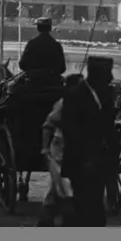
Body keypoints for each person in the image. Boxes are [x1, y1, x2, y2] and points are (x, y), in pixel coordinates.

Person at [60, 56, 116, 227]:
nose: (111, 78)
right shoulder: (75, 95)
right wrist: (87, 157)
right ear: (96, 74)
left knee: (94, 207)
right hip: (81, 160)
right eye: (108, 73)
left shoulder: (104, 95)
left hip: (97, 160)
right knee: (84, 207)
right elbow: (70, 129)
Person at [37, 73, 83, 227]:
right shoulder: (63, 104)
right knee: (60, 186)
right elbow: (48, 125)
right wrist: (44, 148)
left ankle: (50, 218)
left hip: (76, 150)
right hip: (61, 149)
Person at [19, 17, 66, 82]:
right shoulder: (57, 45)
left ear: (38, 28)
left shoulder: (32, 44)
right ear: (50, 28)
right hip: (53, 82)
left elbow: (22, 65)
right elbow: (62, 68)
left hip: (32, 82)